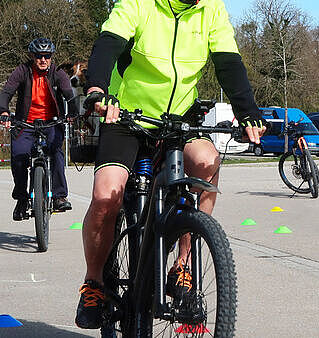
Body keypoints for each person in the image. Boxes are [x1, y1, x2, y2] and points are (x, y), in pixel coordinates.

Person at [74, 0, 267, 329]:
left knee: (207, 161)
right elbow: (109, 43)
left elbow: (229, 64)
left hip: (179, 119)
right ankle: (93, 283)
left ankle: (183, 263)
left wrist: (247, 111)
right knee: (107, 196)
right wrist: (97, 90)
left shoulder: (211, 9)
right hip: (126, 115)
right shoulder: (139, 3)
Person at [0, 38, 74, 221]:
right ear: (33, 56)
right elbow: (6, 92)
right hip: (25, 124)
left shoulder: (58, 73)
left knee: (56, 152)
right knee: (18, 158)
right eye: (39, 56)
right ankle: (22, 199)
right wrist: (4, 111)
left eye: (47, 56)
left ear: (51, 57)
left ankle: (59, 196)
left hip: (51, 122)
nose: (43, 60)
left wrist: (71, 114)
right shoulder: (22, 71)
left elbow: (69, 95)